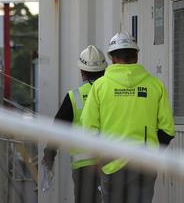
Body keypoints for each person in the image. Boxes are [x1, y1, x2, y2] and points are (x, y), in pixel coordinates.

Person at [81, 32, 175, 203]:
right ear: (136, 56)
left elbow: (88, 128)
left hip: (110, 163)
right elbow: (167, 130)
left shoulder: (100, 87)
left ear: (113, 59)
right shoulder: (155, 85)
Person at [42, 45, 107, 203]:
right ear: (104, 70)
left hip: (84, 167)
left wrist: (49, 156)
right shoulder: (111, 93)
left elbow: (57, 129)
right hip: (111, 164)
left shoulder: (74, 96)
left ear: (82, 72)